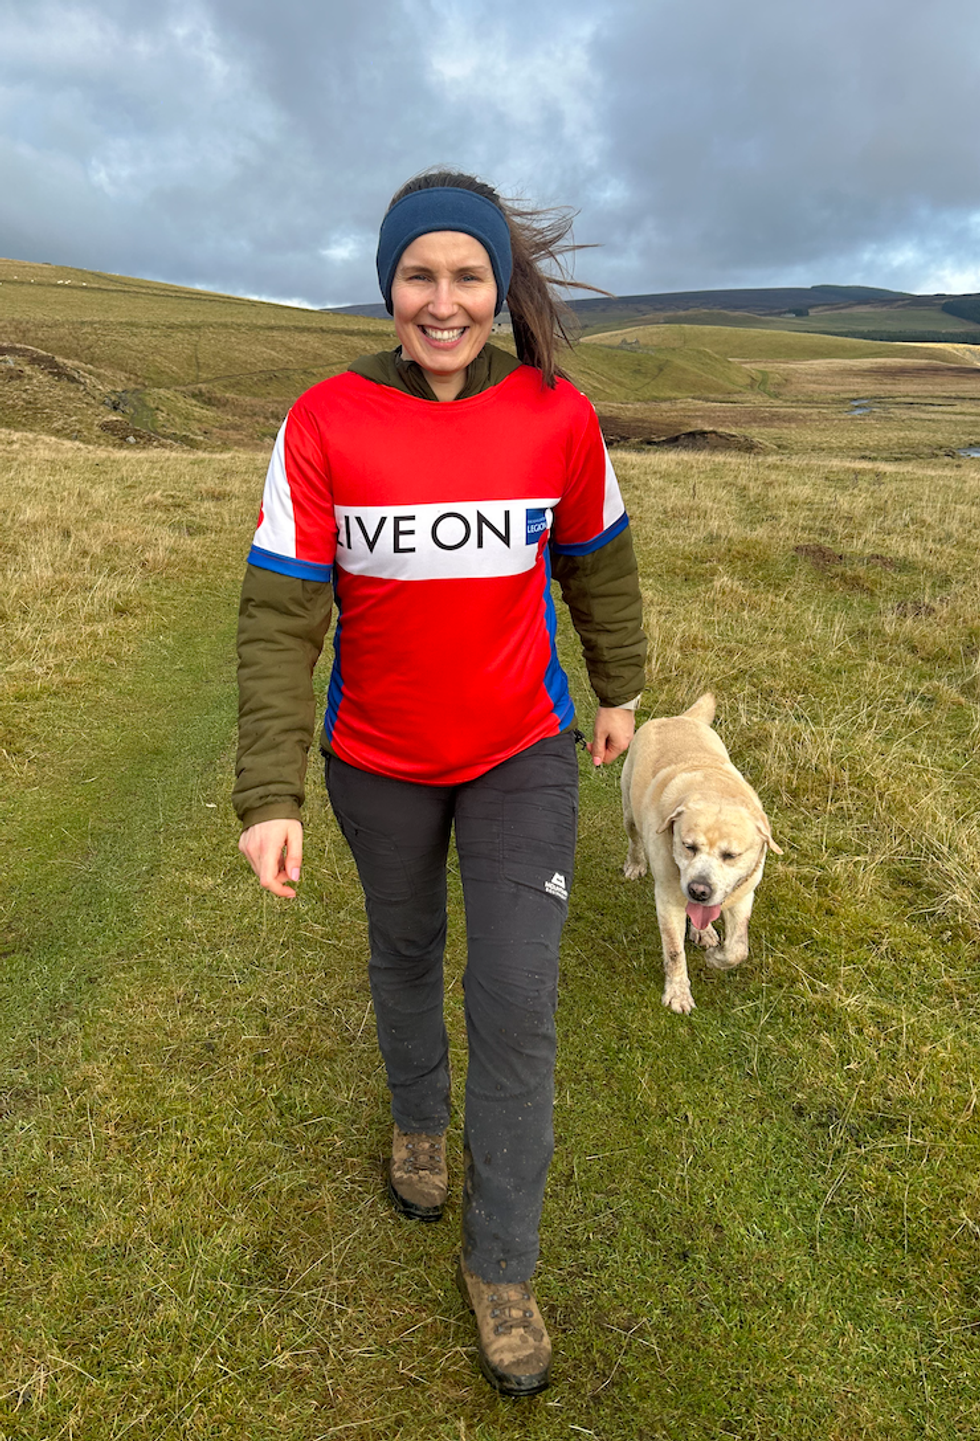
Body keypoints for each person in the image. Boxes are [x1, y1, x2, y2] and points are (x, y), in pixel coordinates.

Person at [234, 169, 647, 1398]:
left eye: (466, 275)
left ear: (497, 288)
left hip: (523, 753)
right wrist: (269, 793)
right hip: (376, 762)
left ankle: (501, 1262)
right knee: (404, 952)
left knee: (516, 1000)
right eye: (420, 275)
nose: (444, 301)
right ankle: (419, 1121)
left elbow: (599, 561)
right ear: (389, 287)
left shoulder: (555, 414)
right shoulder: (322, 421)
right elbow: (276, 618)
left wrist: (619, 689)